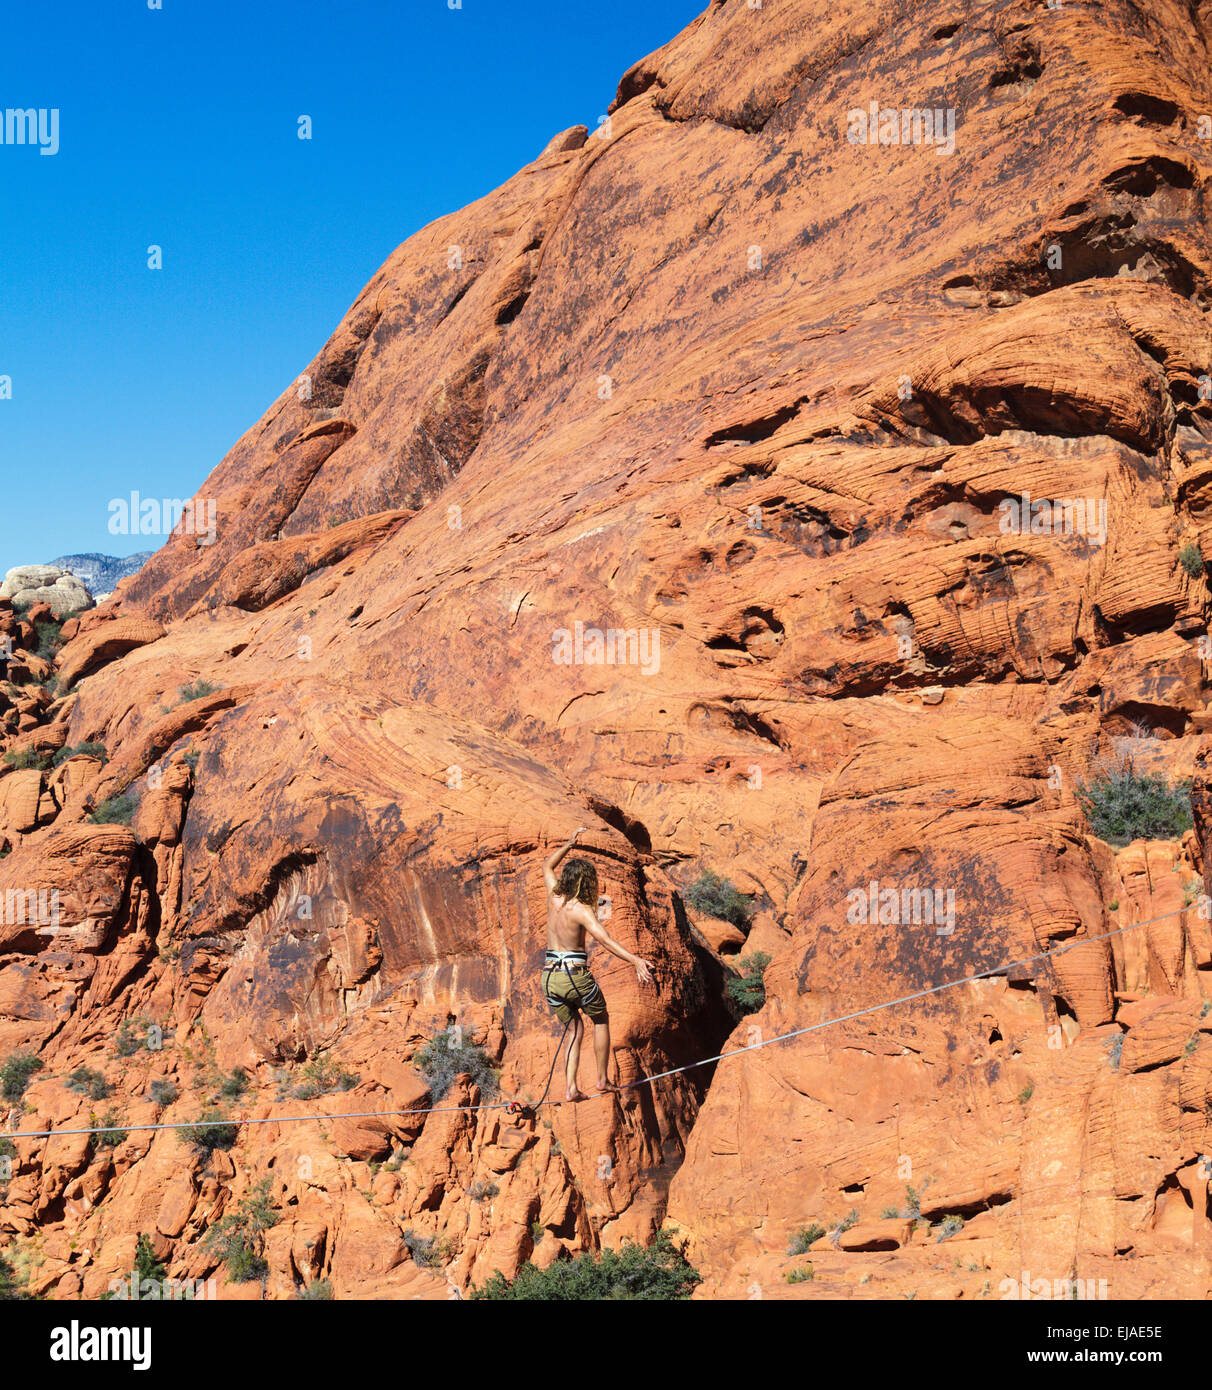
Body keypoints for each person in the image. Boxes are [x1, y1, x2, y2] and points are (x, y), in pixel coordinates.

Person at [541, 827, 653, 1101]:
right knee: (600, 1020)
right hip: (573, 976)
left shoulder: (554, 896)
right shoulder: (582, 910)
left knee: (575, 1030)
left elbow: (547, 864)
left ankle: (570, 1087)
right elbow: (605, 939)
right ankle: (602, 1080)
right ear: (587, 882)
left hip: (549, 978)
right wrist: (636, 960)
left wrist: (568, 844)